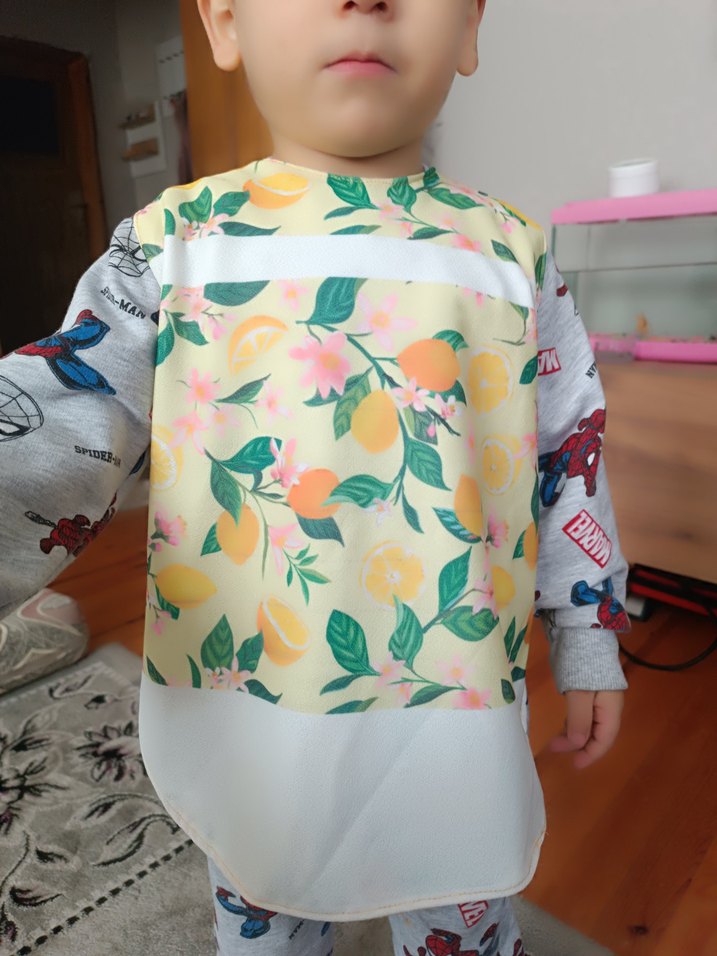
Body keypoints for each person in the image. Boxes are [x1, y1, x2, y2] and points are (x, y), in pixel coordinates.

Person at [0, 1, 631, 953]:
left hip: (451, 702)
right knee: (266, 891)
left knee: (459, 896)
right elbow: (60, 409)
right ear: (225, 25)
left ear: (469, 26)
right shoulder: (176, 243)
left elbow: (567, 451)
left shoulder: (511, 254)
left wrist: (586, 635)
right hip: (251, 704)